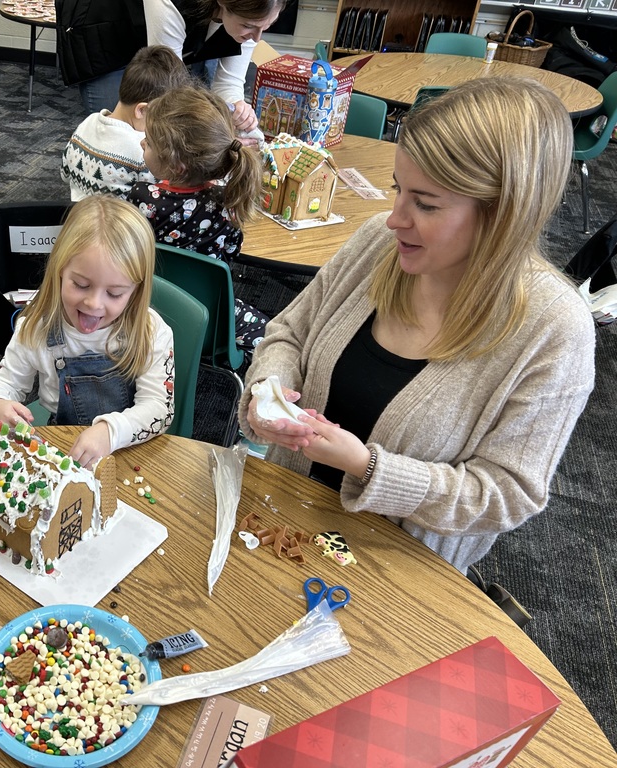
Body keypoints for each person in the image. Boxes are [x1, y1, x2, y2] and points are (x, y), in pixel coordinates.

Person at [238, 77, 596, 576]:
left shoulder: (554, 329)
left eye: (425, 204)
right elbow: (289, 333)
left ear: (503, 214)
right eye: (397, 190)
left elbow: (506, 495)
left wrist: (368, 468)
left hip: (398, 575)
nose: (393, 219)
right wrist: (267, 391)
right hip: (279, 524)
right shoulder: (375, 246)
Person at [0, 195, 175, 467]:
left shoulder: (151, 331)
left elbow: (159, 409)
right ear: (60, 270)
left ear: (136, 290)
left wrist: (109, 431)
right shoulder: (37, 326)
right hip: (63, 448)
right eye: (81, 285)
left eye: (115, 293)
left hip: (130, 451)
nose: (94, 303)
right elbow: (6, 382)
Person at [124, 84, 269, 350]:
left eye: (150, 142)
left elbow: (125, 252)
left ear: (177, 165)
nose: (143, 142)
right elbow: (233, 251)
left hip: (142, 311)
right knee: (273, 336)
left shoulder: (141, 198)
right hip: (212, 322)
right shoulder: (228, 203)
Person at [66, 0, 284, 136]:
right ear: (223, 3)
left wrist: (234, 107)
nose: (256, 39)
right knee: (120, 134)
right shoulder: (170, 4)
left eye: (266, 27)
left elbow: (229, 82)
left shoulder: (248, 16)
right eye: (249, 26)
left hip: (178, 23)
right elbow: (168, 94)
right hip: (109, 26)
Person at [61, 45, 188, 201]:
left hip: (79, 216)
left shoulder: (88, 122)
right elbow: (155, 200)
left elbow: (65, 175)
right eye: (164, 117)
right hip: (120, 223)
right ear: (142, 110)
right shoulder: (143, 149)